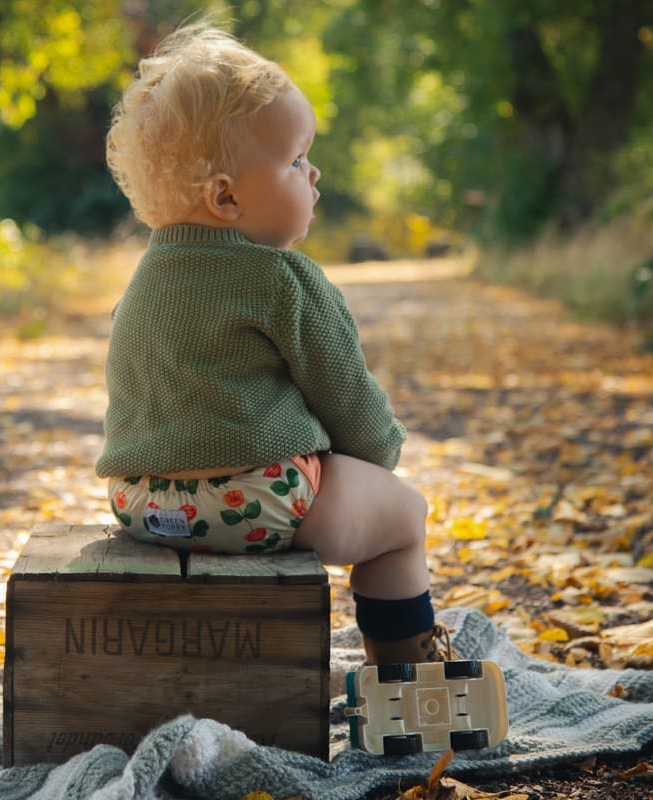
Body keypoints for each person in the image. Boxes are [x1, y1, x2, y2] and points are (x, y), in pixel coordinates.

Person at [96, 23, 450, 666]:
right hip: (252, 503)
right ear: (225, 196)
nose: (312, 174)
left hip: (140, 503)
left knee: (319, 486)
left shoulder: (145, 280)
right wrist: (380, 459)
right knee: (403, 518)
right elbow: (348, 402)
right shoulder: (283, 280)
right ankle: (406, 685)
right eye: (293, 160)